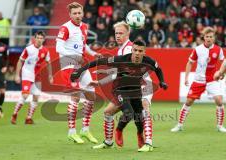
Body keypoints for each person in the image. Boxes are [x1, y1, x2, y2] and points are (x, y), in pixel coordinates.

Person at [71, 39, 168, 152]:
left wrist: (162, 81)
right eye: (135, 50)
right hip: (120, 91)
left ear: (144, 52)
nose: (137, 53)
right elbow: (99, 62)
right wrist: (80, 71)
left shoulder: (149, 61)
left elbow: (158, 69)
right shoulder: (121, 59)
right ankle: (119, 130)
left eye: (140, 51)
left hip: (136, 91)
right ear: (132, 50)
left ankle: (115, 141)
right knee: (129, 113)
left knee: (138, 119)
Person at [55, 2, 102, 144]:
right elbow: (59, 47)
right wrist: (74, 56)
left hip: (81, 64)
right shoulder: (65, 28)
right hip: (69, 64)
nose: (77, 15)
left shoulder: (84, 27)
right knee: (75, 97)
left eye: (79, 13)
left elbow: (83, 44)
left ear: (82, 13)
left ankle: (85, 129)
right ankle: (71, 132)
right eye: (74, 13)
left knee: (91, 95)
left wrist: (93, 53)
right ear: (70, 15)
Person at [171, 27, 226, 133]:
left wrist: (221, 73)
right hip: (198, 80)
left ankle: (220, 126)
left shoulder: (218, 49)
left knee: (219, 100)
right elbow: (190, 62)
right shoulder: (198, 49)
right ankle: (179, 125)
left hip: (212, 80)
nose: (209, 38)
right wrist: (187, 77)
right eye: (207, 36)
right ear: (203, 37)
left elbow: (223, 63)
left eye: (211, 36)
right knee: (188, 101)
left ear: (214, 38)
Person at [10, 31, 52, 124]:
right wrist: (17, 75)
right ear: (34, 38)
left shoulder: (45, 51)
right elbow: (20, 61)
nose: (39, 40)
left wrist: (50, 75)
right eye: (38, 38)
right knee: (25, 95)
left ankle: (28, 118)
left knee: (36, 97)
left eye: (41, 38)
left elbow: (49, 63)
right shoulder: (28, 49)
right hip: (27, 74)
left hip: (37, 76)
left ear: (44, 40)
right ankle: (14, 114)